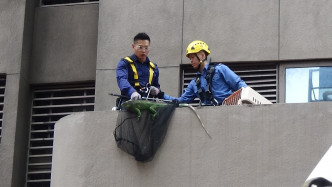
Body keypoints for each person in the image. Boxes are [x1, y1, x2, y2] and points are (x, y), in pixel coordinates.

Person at [162, 40, 248, 105]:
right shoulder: (194, 83)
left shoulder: (220, 69)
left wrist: (249, 104)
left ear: (202, 56)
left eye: (193, 57)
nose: (191, 61)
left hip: (229, 112)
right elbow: (180, 101)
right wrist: (160, 95)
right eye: (190, 58)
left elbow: (240, 85)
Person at [116, 32, 163, 106]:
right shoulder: (125, 63)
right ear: (133, 46)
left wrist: (157, 90)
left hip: (148, 105)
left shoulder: (153, 67)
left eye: (146, 48)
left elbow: (156, 85)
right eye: (140, 47)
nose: (143, 51)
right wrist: (132, 92)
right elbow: (122, 79)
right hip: (129, 104)